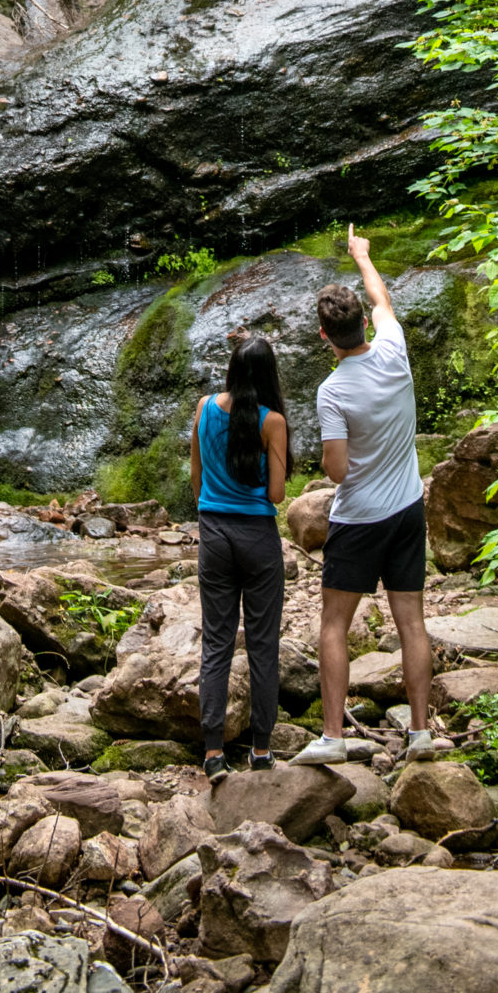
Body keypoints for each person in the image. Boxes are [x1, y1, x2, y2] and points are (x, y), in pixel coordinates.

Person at [294, 227, 436, 766]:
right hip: (407, 509)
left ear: (325, 337)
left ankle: (333, 736)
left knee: (335, 624)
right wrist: (362, 256)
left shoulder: (332, 391)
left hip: (359, 521)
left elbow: (336, 470)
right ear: (361, 325)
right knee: (412, 622)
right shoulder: (395, 349)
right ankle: (420, 733)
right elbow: (382, 298)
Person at [189, 333, 290, 784]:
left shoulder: (205, 407)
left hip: (213, 532)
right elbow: (277, 494)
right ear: (269, 375)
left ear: (230, 369)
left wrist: (213, 505)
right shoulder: (273, 422)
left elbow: (196, 478)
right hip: (257, 536)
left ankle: (213, 753)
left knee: (217, 642)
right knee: (263, 644)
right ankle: (262, 750)